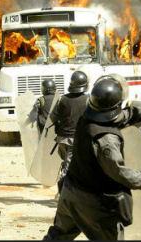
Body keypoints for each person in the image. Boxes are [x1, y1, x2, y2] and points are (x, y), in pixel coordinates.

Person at [43, 76, 141, 240]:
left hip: (70, 192)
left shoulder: (87, 116)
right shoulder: (106, 140)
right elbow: (117, 171)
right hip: (93, 202)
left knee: (58, 235)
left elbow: (125, 115)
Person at [49, 71, 89, 200]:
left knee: (66, 163)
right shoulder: (88, 100)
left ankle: (69, 193)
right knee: (71, 166)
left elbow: (52, 119)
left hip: (62, 139)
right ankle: (62, 193)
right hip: (78, 140)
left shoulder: (63, 99)